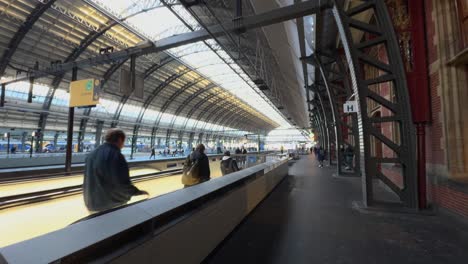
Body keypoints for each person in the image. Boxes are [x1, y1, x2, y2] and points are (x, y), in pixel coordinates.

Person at [83, 128, 148, 212]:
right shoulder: (115, 155)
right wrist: (137, 192)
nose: (123, 145)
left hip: (91, 203)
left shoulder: (92, 154)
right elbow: (121, 183)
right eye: (124, 141)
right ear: (120, 139)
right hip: (111, 205)